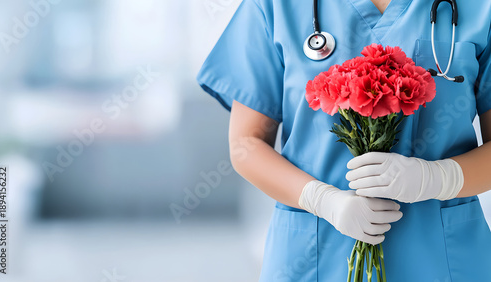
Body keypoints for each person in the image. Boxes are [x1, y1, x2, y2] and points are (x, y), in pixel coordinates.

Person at [197, 0, 491, 280]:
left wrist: (437, 178)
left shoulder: (480, 7)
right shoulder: (276, 7)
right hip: (314, 258)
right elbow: (246, 143)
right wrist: (322, 200)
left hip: (441, 259)